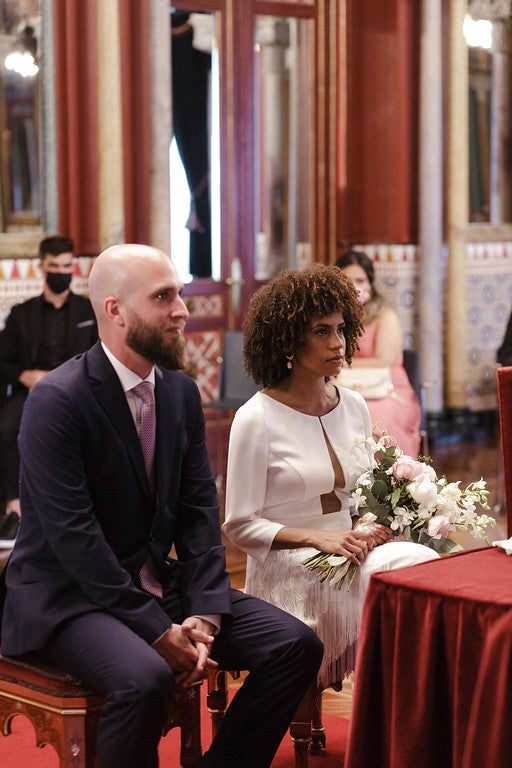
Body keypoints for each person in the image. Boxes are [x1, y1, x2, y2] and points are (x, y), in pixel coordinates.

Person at [0, 243, 323, 768]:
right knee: (146, 676)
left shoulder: (178, 394)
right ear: (115, 310)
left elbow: (199, 516)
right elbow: (75, 538)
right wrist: (155, 629)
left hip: (153, 583)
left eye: (180, 294)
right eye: (163, 297)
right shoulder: (57, 401)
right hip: (67, 596)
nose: (182, 310)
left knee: (296, 645)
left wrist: (204, 613)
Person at [222, 264, 439, 691]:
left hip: (349, 550)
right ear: (287, 340)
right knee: (396, 574)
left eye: (342, 329)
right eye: (322, 331)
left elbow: (360, 496)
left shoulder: (355, 404)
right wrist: (317, 538)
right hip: (288, 565)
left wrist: (371, 525)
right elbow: (238, 525)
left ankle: (408, 708)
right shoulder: (255, 418)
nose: (338, 343)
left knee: (421, 564)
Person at [0, 235, 97, 548]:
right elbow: (3, 362)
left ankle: (84, 509)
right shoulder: (21, 314)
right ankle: (16, 510)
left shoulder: (89, 311)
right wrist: (26, 375)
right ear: (42, 266)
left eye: (67, 265)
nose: (61, 271)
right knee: (5, 428)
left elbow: (100, 355)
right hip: (31, 391)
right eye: (54, 265)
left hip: (76, 392)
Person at [335, 249, 422, 457]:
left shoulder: (385, 316)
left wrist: (338, 364)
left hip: (386, 389)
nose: (355, 286)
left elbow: (383, 361)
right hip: (342, 388)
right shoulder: (331, 316)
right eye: (347, 280)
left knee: (375, 420)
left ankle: (386, 483)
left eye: (360, 280)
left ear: (370, 284)